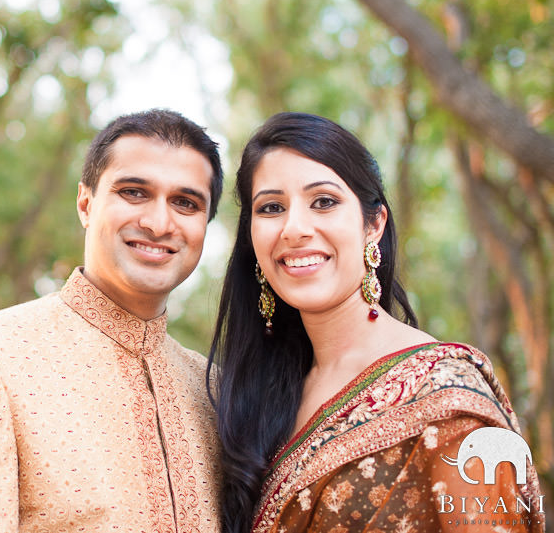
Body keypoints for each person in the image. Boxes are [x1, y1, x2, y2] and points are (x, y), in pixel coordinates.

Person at [208, 112, 545, 533]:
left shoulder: (446, 400)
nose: (294, 229)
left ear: (374, 224)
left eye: (324, 202)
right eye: (272, 208)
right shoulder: (254, 399)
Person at [0, 109, 225, 532]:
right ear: (86, 204)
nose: (158, 222)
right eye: (133, 192)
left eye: (185, 202)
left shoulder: (217, 390)